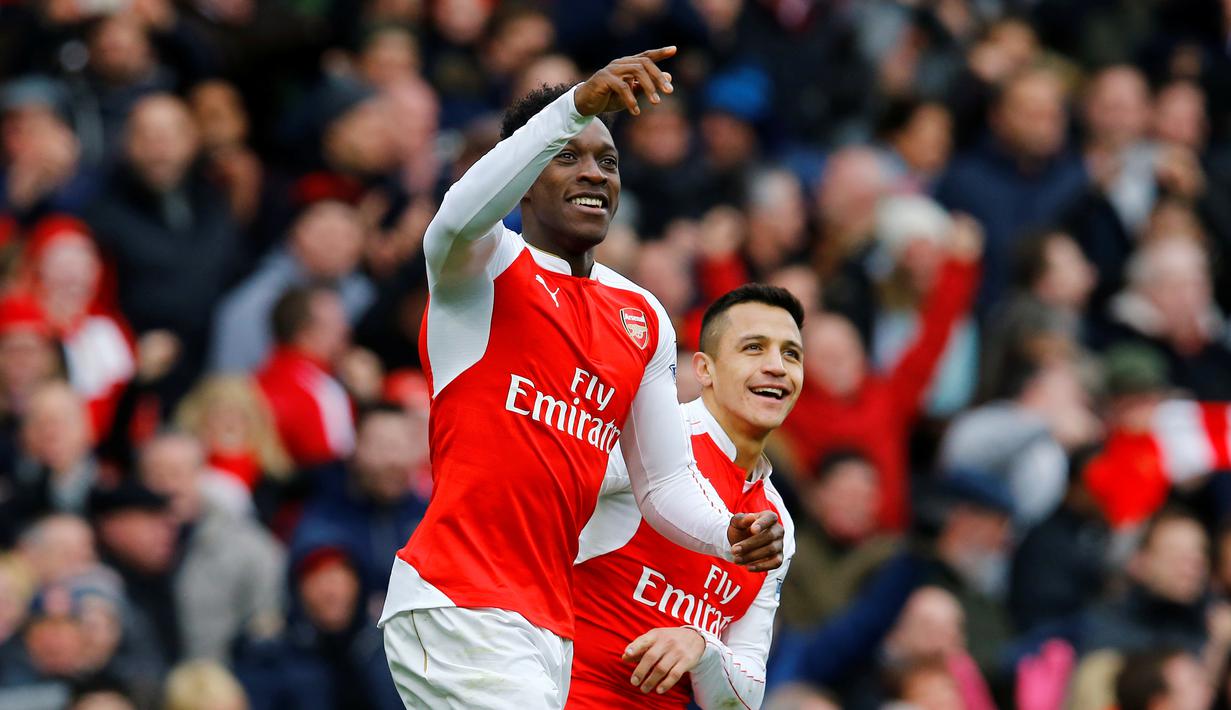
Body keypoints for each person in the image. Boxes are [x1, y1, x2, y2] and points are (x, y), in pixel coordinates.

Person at [379, 48, 784, 709]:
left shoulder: (642, 316)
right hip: (459, 601)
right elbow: (454, 214)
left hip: (545, 623)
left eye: (608, 161)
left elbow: (664, 483)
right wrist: (573, 107)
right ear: (526, 177)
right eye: (570, 154)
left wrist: (727, 534)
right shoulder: (479, 268)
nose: (594, 171)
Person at [568, 284, 801, 708]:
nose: (777, 367)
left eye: (791, 354)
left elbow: (745, 698)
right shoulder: (644, 438)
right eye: (753, 348)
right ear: (704, 370)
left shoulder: (777, 522)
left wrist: (703, 647)